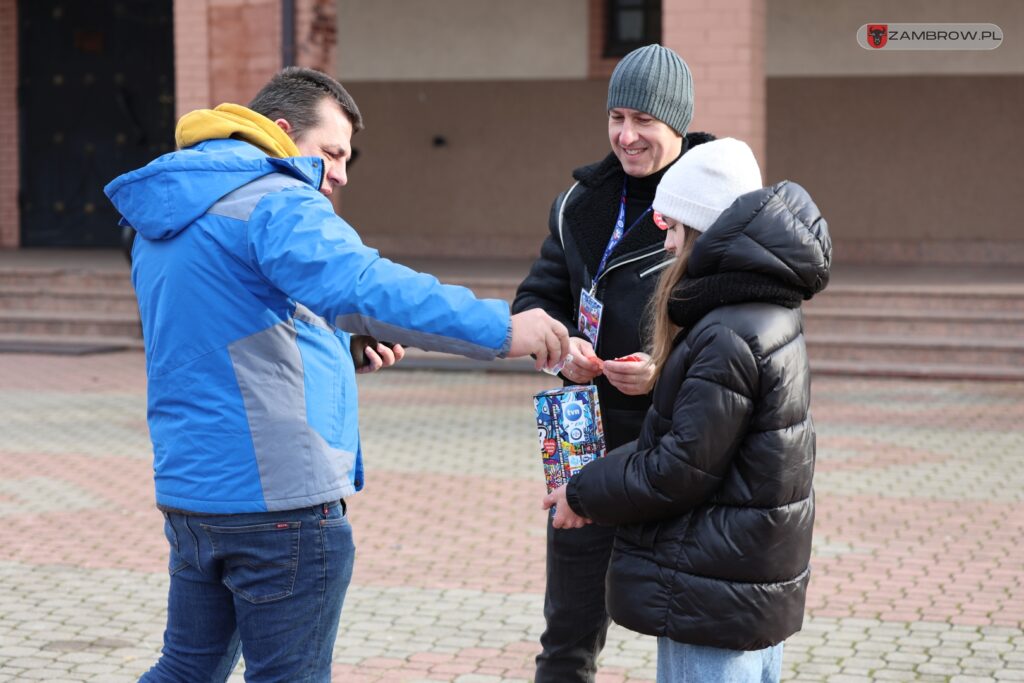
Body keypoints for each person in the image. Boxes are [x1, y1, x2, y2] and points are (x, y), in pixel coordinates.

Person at [103, 66, 569, 682]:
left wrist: (338, 344)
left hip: (194, 494)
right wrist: (506, 329)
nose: (341, 173)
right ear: (280, 130)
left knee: (185, 671)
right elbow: (366, 285)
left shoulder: (170, 209)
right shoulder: (275, 197)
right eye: (332, 152)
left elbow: (227, 320)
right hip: (279, 505)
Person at [543, 137, 831, 682]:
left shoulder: (724, 332)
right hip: (743, 581)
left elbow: (679, 466)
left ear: (704, 231)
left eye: (673, 229)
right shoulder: (763, 310)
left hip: (713, 590)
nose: (668, 245)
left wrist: (582, 491)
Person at [512, 44, 714, 682]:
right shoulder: (580, 201)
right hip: (581, 434)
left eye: (645, 122)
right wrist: (558, 346)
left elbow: (731, 329)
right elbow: (538, 296)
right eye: (616, 117)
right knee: (568, 634)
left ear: (677, 124)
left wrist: (664, 369)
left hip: (672, 443)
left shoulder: (712, 202)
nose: (627, 136)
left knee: (691, 626)